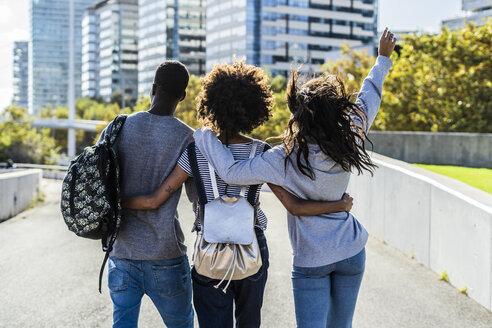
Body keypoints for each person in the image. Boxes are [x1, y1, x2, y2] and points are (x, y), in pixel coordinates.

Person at [123, 60, 354, 328]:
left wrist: (118, 201)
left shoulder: (196, 151)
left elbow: (154, 200)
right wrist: (339, 204)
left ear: (211, 104)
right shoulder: (263, 153)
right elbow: (294, 206)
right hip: (251, 247)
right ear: (254, 108)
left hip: (210, 248)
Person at [192, 29, 397, 328]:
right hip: (351, 250)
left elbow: (231, 172)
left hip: (312, 259)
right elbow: (370, 96)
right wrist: (382, 58)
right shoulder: (349, 136)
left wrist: (205, 134)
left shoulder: (283, 157)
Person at [98, 61, 194, 328]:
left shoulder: (117, 127)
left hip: (122, 250)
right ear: (183, 96)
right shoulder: (189, 138)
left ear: (153, 88)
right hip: (166, 254)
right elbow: (198, 200)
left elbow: (96, 182)